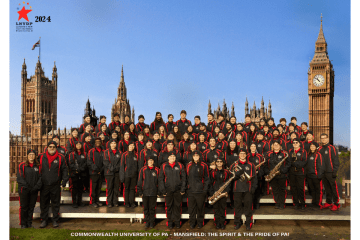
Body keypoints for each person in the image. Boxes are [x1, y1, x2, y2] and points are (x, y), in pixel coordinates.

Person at [39, 141, 69, 228]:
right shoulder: (41, 156)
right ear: (47, 147)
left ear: (56, 148)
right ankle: (44, 220)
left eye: (53, 147)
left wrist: (64, 181)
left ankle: (55, 220)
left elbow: (64, 170)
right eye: (50, 146)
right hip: (44, 185)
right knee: (44, 203)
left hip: (55, 184)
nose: (52, 148)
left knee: (55, 203)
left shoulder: (61, 157)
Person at [229, 148, 257, 230]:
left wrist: (253, 188)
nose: (242, 155)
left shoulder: (251, 165)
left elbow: (255, 178)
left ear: (246, 155)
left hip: (248, 189)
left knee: (248, 207)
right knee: (237, 207)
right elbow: (231, 178)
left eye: (244, 153)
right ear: (238, 155)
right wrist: (237, 175)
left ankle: (248, 223)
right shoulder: (233, 165)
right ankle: (237, 223)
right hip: (237, 189)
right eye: (241, 153)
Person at [158, 152, 186, 229]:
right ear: (168, 158)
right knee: (168, 207)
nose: (172, 158)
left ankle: (177, 222)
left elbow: (184, 178)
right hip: (168, 190)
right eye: (171, 156)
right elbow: (161, 179)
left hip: (178, 190)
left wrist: (182, 189)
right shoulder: (164, 166)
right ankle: (170, 222)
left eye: (174, 156)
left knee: (177, 206)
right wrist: (163, 190)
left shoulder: (180, 165)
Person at [17, 149, 42, 228]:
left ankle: (29, 223)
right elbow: (20, 178)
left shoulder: (38, 166)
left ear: (35, 156)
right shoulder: (22, 165)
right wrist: (27, 187)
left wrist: (36, 187)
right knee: (24, 207)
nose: (31, 156)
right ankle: (23, 224)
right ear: (27, 156)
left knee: (31, 207)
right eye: (30, 154)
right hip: (24, 190)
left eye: (33, 154)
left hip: (34, 190)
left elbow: (41, 178)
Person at [186, 150, 210, 229]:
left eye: (197, 156)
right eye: (194, 156)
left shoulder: (204, 165)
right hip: (191, 191)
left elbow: (207, 178)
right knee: (191, 209)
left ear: (199, 156)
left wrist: (205, 190)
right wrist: (187, 188)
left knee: (200, 208)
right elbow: (186, 178)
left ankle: (200, 222)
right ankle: (192, 223)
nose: (196, 157)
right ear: (192, 157)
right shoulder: (189, 165)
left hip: (200, 191)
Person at [264, 140, 291, 210]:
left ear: (280, 146)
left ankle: (282, 203)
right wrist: (268, 172)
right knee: (275, 190)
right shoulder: (268, 154)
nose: (276, 146)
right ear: (272, 146)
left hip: (282, 175)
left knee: (282, 190)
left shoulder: (285, 154)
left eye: (277, 144)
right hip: (272, 175)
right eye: (274, 144)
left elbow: (288, 164)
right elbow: (265, 164)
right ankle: (277, 202)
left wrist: (282, 170)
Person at [318, 133, 340, 211]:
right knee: (327, 188)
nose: (323, 139)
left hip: (330, 172)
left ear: (328, 139)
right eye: (322, 138)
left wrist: (334, 171)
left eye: (325, 138)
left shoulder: (332, 148)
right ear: (320, 139)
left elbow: (336, 160)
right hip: (323, 172)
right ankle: (329, 202)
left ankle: (336, 203)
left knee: (333, 188)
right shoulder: (320, 149)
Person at [137, 157, 160, 229]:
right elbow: (140, 181)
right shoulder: (143, 169)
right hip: (145, 192)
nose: (150, 162)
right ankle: (147, 221)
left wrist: (158, 191)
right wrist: (140, 191)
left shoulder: (157, 170)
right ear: (147, 161)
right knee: (146, 208)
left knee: (152, 208)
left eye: (152, 160)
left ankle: (152, 222)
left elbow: (159, 181)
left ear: (153, 161)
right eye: (149, 160)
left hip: (153, 192)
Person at [209, 158, 231, 230]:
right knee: (216, 209)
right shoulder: (212, 172)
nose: (219, 163)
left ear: (222, 163)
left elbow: (228, 183)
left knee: (222, 209)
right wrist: (212, 193)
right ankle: (217, 223)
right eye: (217, 162)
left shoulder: (226, 172)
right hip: (215, 193)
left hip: (223, 193)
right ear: (216, 163)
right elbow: (210, 184)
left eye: (220, 161)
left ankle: (222, 223)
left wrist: (226, 191)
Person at [288, 138, 307, 210]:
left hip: (300, 172)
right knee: (293, 188)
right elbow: (289, 161)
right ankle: (296, 203)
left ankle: (302, 203)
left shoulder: (303, 151)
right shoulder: (290, 151)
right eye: (294, 143)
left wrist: (296, 164)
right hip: (292, 172)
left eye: (296, 142)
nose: (295, 144)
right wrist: (293, 163)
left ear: (299, 143)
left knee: (300, 188)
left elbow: (304, 161)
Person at [103, 139, 122, 208]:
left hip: (117, 173)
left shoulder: (119, 152)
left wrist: (116, 169)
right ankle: (109, 202)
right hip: (109, 173)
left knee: (116, 188)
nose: (113, 144)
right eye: (112, 143)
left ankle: (115, 202)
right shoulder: (106, 152)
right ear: (110, 144)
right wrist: (112, 168)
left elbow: (121, 162)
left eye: (115, 143)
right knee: (110, 188)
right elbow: (106, 162)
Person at [68, 142, 87, 208]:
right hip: (74, 174)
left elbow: (86, 163)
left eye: (80, 144)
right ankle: (74, 202)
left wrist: (81, 169)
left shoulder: (84, 154)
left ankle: (79, 201)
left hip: (82, 173)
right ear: (75, 146)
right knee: (74, 188)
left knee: (80, 188)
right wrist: (76, 169)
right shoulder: (72, 154)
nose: (78, 146)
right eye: (77, 144)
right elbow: (70, 163)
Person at [120, 141, 139, 208]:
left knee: (132, 189)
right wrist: (122, 177)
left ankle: (132, 202)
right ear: (128, 147)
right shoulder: (124, 155)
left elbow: (138, 166)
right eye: (130, 146)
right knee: (126, 189)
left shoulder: (136, 155)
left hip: (134, 175)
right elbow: (122, 166)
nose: (132, 147)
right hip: (126, 175)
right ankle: (127, 202)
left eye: (133, 146)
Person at [87, 138, 104, 208]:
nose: (98, 143)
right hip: (93, 173)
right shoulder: (91, 151)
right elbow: (89, 162)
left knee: (98, 188)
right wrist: (96, 169)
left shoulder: (103, 151)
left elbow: (105, 161)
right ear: (94, 142)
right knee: (93, 188)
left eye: (99, 141)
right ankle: (92, 201)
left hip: (101, 172)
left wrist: (101, 170)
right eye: (96, 141)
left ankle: (97, 200)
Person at [247, 143, 265, 209]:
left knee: (257, 191)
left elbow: (263, 167)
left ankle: (256, 204)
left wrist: (259, 173)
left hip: (257, 175)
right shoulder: (247, 156)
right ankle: (250, 204)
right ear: (250, 147)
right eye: (252, 146)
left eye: (254, 146)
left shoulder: (260, 156)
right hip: (249, 177)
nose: (253, 147)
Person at [306, 142, 324, 208]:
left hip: (316, 176)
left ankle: (318, 203)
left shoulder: (318, 155)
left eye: (313, 146)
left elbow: (321, 166)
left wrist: (319, 175)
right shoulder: (308, 155)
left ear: (316, 147)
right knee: (312, 190)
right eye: (311, 146)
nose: (312, 147)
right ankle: (314, 202)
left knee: (318, 190)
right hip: (309, 176)